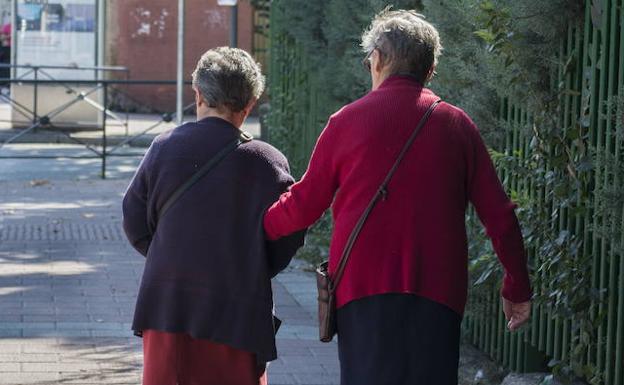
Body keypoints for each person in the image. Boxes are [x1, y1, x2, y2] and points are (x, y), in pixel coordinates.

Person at [263, 9, 532, 385]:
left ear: (377, 59)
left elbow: (305, 203)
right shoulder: (457, 125)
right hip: (438, 290)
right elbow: (500, 216)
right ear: (430, 69)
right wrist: (517, 286)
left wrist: (257, 225)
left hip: (362, 287)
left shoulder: (346, 122)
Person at [122, 47, 304, 385]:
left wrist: (173, 254)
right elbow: (288, 234)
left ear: (198, 94)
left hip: (168, 304)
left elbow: (133, 219)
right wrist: (251, 265)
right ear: (250, 102)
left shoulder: (164, 147)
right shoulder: (269, 163)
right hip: (239, 310)